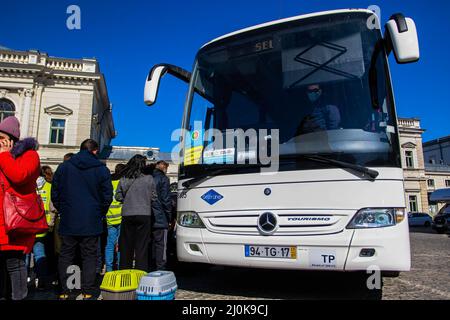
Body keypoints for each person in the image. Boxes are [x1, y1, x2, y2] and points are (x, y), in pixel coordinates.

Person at [52, 139, 112, 300]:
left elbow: (55, 192)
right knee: (89, 255)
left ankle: (65, 290)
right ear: (95, 151)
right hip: (91, 218)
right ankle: (87, 290)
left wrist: (63, 209)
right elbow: (107, 196)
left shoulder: (64, 167)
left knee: (66, 254)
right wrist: (99, 212)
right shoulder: (101, 169)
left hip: (69, 217)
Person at [0, 116, 41, 300]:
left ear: (11, 138)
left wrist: (4, 155)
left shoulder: (30, 155)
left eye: (1, 138)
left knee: (14, 263)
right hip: (2, 221)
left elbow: (19, 176)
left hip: (16, 221)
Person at [116, 155, 157, 272]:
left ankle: (125, 272)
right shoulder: (149, 179)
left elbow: (118, 196)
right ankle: (140, 273)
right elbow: (154, 197)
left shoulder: (124, 179)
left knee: (126, 246)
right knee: (142, 247)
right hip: (144, 214)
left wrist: (128, 198)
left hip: (128, 214)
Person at [29, 167, 57, 290]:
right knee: (40, 255)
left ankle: (24, 283)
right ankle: (42, 282)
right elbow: (53, 208)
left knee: (24, 257)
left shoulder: (28, 187)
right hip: (43, 227)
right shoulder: (49, 187)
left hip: (27, 227)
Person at [151, 160, 172, 271]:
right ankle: (160, 268)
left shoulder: (148, 177)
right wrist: (169, 217)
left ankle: (150, 266)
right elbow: (166, 200)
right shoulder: (164, 179)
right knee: (161, 245)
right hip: (160, 216)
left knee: (150, 243)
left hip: (148, 215)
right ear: (164, 168)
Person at [104, 164, 125, 272]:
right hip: (121, 216)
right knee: (120, 243)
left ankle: (109, 268)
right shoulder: (122, 182)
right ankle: (120, 267)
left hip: (109, 216)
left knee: (110, 244)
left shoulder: (107, 181)